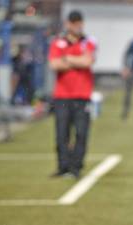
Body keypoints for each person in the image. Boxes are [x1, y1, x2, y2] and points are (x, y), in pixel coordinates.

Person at [48, 10, 96, 178]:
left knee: (81, 133)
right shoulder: (58, 42)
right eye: (74, 23)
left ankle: (76, 167)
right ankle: (63, 167)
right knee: (62, 134)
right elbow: (54, 65)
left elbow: (88, 61)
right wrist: (78, 61)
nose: (78, 26)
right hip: (62, 96)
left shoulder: (88, 41)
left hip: (82, 96)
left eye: (80, 22)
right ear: (68, 24)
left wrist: (67, 59)